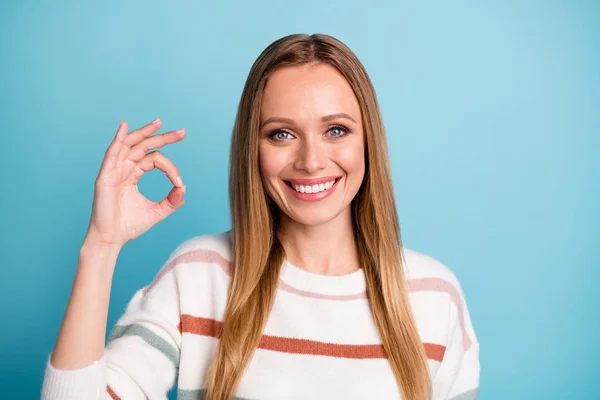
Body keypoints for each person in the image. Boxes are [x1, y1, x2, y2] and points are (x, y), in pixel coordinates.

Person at [41, 33, 480, 400]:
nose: (311, 161)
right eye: (282, 134)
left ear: (369, 142)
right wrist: (101, 247)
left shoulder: (433, 297)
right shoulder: (198, 277)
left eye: (336, 130)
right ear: (253, 147)